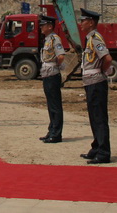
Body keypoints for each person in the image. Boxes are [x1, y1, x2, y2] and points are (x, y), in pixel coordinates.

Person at [78, 8, 112, 164]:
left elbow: (107, 59)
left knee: (99, 117)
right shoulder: (89, 38)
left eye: (83, 20)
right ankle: (96, 147)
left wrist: (102, 71)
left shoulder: (95, 38)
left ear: (91, 22)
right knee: (93, 117)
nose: (81, 23)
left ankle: (104, 152)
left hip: (96, 82)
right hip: (90, 82)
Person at [38, 15, 65, 144]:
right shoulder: (47, 39)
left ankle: (56, 133)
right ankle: (51, 130)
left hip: (53, 73)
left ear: (50, 26)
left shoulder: (55, 39)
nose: (41, 27)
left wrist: (56, 66)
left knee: (55, 105)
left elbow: (61, 56)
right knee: (50, 104)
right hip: (46, 73)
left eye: (43, 25)